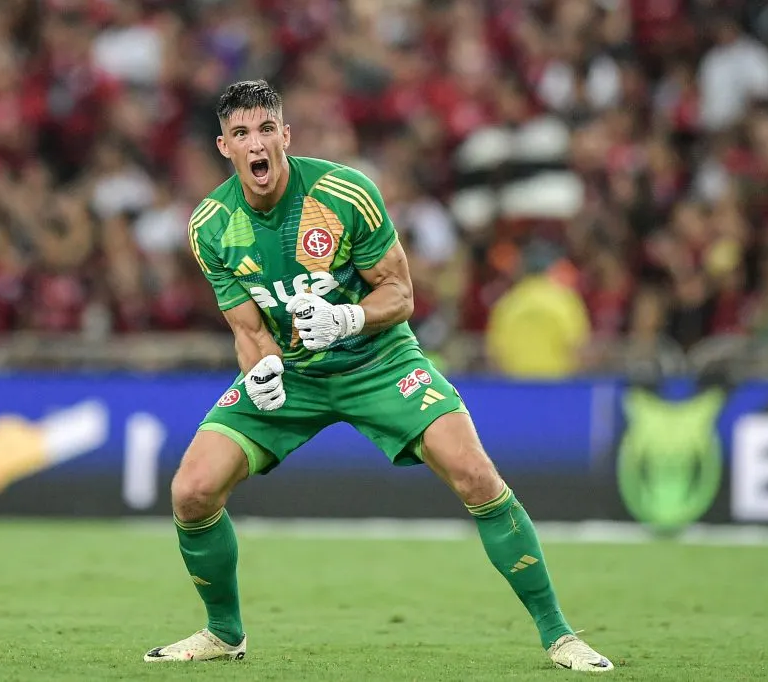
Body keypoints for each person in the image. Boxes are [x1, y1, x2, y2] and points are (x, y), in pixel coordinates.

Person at [143, 80, 613, 673]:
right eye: (242, 134)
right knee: (191, 492)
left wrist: (347, 317)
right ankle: (223, 633)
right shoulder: (211, 224)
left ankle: (560, 635)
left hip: (378, 362)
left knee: (473, 472)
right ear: (224, 146)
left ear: (285, 136)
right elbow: (247, 327)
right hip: (296, 374)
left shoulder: (345, 193)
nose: (256, 144)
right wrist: (260, 372)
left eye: (266, 130)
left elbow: (402, 293)